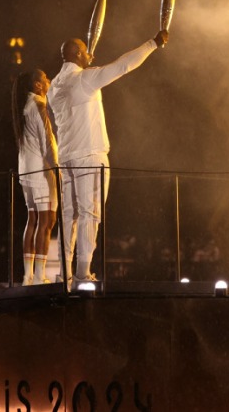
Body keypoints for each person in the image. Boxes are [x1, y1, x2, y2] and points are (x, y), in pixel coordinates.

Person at [48, 30, 168, 288]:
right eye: (85, 50)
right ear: (78, 54)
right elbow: (123, 65)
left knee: (69, 215)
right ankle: (82, 274)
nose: (90, 53)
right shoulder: (84, 80)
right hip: (89, 155)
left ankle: (65, 274)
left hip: (66, 158)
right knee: (90, 214)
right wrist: (152, 43)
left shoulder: (54, 87)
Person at [11, 69, 59, 285]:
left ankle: (28, 276)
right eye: (45, 79)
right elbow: (47, 139)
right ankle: (40, 276)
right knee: (47, 220)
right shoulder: (38, 105)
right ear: (38, 85)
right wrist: (58, 167)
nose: (49, 81)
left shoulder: (24, 105)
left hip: (26, 169)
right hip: (40, 170)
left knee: (33, 219)